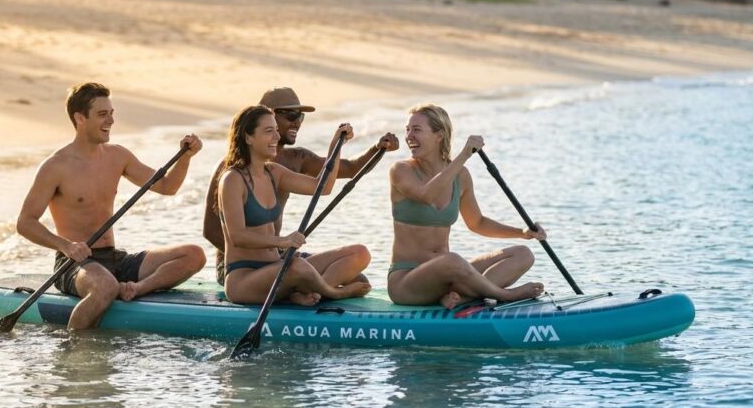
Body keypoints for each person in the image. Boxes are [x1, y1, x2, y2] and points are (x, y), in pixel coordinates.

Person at [16, 82, 206, 330]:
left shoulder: (118, 156)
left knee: (193, 255)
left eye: (112, 113)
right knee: (105, 286)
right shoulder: (56, 166)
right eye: (102, 114)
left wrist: (185, 158)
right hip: (74, 264)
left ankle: (135, 289)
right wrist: (66, 246)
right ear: (80, 118)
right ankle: (73, 355)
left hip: (114, 258)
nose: (111, 121)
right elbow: (25, 222)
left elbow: (167, 187)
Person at [203, 87, 399, 286]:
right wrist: (264, 255)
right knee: (318, 278)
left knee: (357, 278)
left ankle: (304, 291)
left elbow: (349, 169)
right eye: (290, 115)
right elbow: (210, 231)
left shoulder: (295, 159)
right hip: (243, 267)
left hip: (277, 255)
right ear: (268, 114)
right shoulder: (230, 170)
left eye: (300, 117)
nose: (297, 121)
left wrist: (377, 148)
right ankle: (304, 290)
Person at [387, 104, 546, 310]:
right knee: (451, 261)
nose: (409, 136)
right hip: (407, 282)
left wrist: (522, 233)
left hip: (447, 278)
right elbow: (426, 195)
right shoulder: (401, 170)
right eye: (407, 129)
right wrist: (464, 155)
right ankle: (503, 295)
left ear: (439, 135)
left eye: (416, 130)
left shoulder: (460, 176)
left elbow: (477, 222)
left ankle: (462, 298)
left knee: (523, 254)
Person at [217, 105, 372, 306]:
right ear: (248, 138)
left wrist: (336, 146)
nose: (276, 136)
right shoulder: (232, 179)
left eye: (276, 129)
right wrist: (283, 241)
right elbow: (237, 236)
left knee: (359, 254)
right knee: (298, 266)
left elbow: (322, 187)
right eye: (268, 131)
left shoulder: (273, 172)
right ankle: (333, 293)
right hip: (245, 279)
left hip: (277, 267)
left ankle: (300, 293)